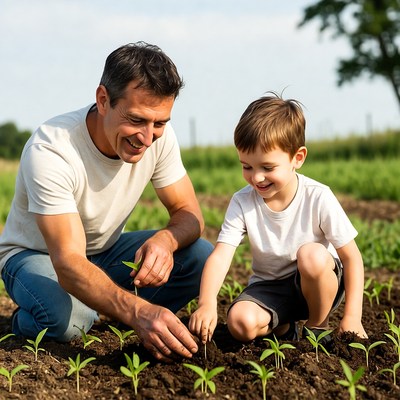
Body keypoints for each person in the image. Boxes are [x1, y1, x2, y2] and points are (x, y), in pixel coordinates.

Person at [0, 42, 213, 362]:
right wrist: (138, 310)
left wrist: (166, 241)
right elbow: (69, 263)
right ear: (103, 100)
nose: (147, 137)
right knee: (67, 321)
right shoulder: (52, 149)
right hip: (37, 256)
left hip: (104, 252)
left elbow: (190, 214)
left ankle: (102, 306)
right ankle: (38, 317)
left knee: (200, 257)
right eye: (137, 120)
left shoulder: (160, 138)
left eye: (160, 122)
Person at [189, 93, 367, 345]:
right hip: (270, 287)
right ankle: (283, 328)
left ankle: (318, 326)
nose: (257, 178)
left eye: (268, 167)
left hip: (318, 282)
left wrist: (353, 317)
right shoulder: (242, 201)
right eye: (247, 166)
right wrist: (206, 303)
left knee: (312, 256)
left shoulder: (318, 196)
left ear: (298, 158)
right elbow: (221, 256)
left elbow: (352, 258)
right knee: (240, 324)